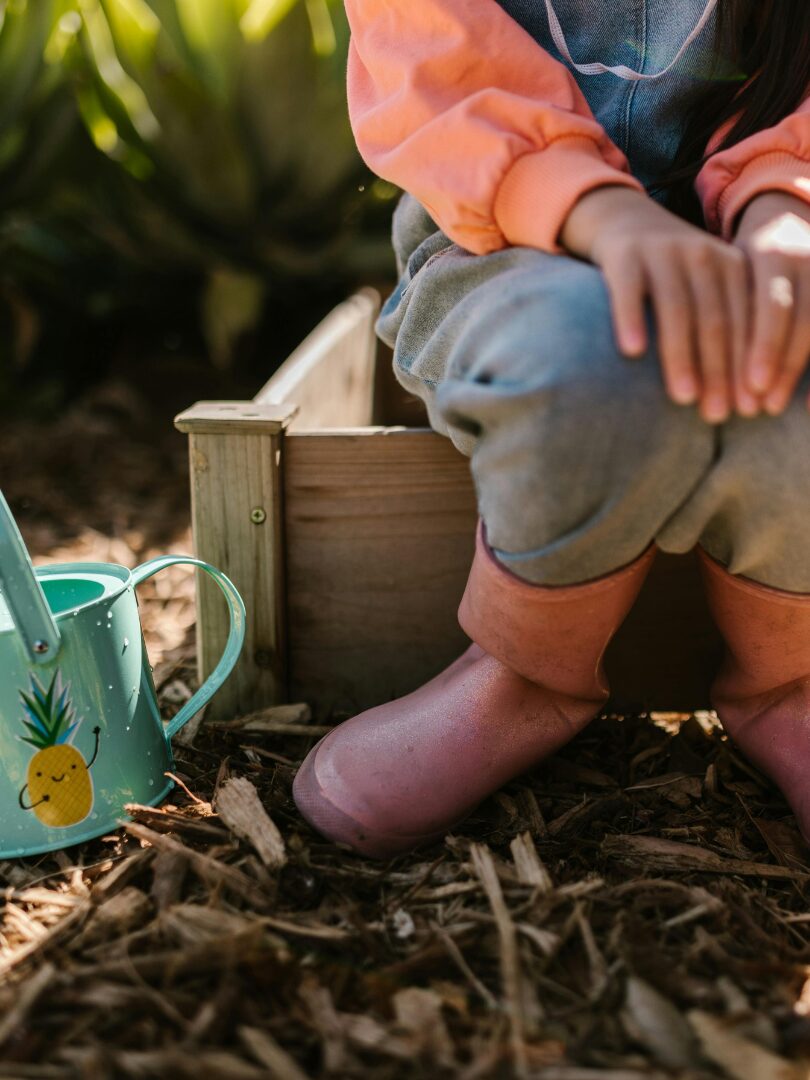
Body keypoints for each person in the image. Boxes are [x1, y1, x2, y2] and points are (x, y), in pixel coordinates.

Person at [294, 0, 810, 858]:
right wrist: (596, 208)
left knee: (792, 363)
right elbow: (430, 53)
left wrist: (789, 203)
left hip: (771, 224)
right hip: (495, 239)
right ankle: (531, 676)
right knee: (587, 355)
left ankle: (789, 679)